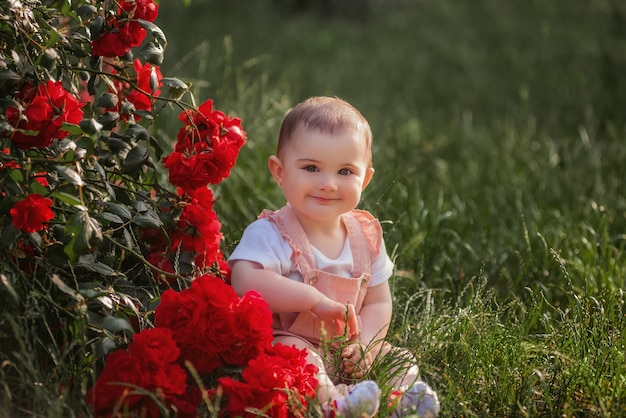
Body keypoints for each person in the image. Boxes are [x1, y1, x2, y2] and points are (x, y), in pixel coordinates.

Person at [229, 96, 440, 417]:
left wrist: (366, 347)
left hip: (352, 348)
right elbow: (245, 280)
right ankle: (334, 403)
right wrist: (312, 300)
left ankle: (404, 400)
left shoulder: (366, 235)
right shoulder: (271, 233)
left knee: (399, 357)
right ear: (279, 171)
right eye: (311, 168)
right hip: (296, 340)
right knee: (294, 353)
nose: (328, 184)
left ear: (365, 180)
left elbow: (378, 302)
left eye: (345, 171)